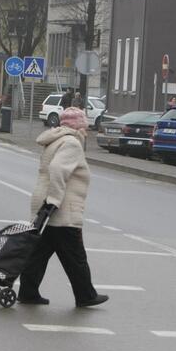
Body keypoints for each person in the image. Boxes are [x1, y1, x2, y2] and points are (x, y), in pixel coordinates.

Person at [18, 107, 109, 307]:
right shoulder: (72, 143)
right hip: (61, 208)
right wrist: (54, 200)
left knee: (39, 253)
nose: (87, 132)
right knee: (75, 256)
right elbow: (58, 169)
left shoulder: (56, 140)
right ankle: (86, 295)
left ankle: (28, 291)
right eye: (85, 127)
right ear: (77, 127)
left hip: (45, 203)